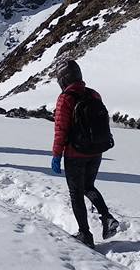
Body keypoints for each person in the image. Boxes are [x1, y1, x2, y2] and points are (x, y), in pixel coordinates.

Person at [50, 60, 119, 249]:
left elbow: (61, 129)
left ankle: (85, 234)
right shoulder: (93, 94)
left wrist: (56, 155)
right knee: (89, 186)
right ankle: (107, 217)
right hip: (96, 151)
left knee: (76, 193)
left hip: (75, 153)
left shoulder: (65, 98)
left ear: (63, 79)